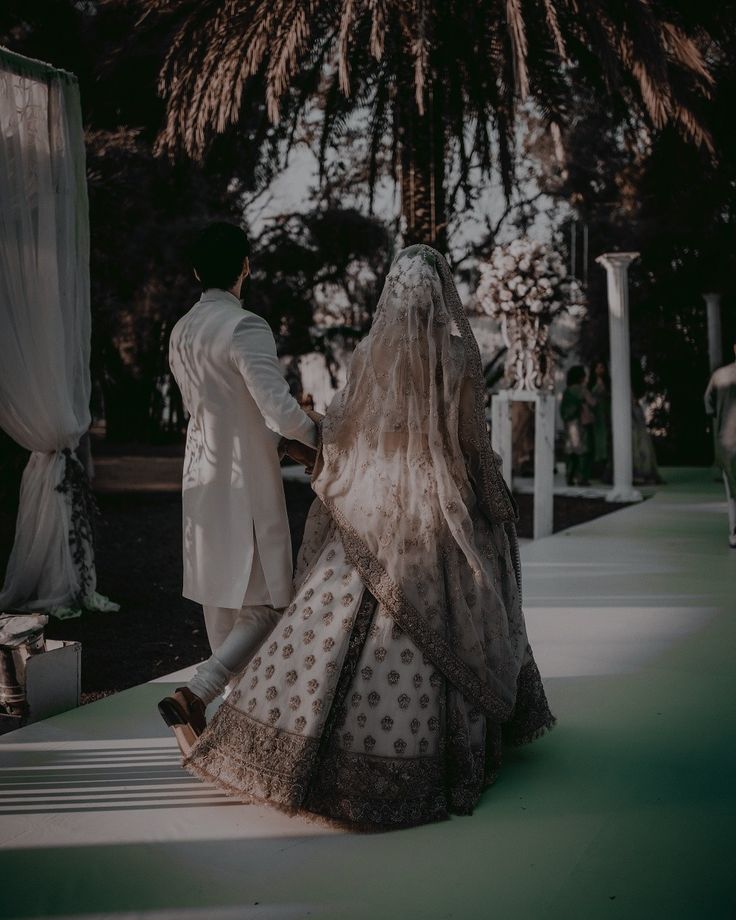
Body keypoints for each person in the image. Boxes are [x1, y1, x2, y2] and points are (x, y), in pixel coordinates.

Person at [184, 244, 555, 830]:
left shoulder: (368, 354)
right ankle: (442, 750)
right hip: (441, 498)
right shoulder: (457, 354)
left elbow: (347, 425)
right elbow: (471, 440)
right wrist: (494, 500)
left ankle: (282, 733)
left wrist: (329, 455)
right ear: (440, 295)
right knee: (454, 614)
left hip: (377, 497)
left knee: (333, 608)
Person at [159, 222, 318, 755]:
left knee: (220, 603)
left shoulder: (182, 329)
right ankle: (199, 693)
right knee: (269, 605)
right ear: (245, 266)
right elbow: (277, 408)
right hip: (243, 480)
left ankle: (233, 727)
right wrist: (323, 436)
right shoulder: (246, 326)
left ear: (196, 271)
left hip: (200, 478)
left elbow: (217, 408)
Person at [705, 340, 736, 548]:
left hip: (727, 439)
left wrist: (720, 416)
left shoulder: (720, 375)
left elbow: (707, 402)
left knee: (732, 489)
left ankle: (734, 531)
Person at [560, 365, 595, 486]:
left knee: (571, 452)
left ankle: (569, 477)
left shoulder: (567, 391)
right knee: (583, 452)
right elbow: (593, 403)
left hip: (569, 424)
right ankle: (582, 478)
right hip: (581, 424)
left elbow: (562, 410)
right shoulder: (582, 390)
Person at [631, 376, 662, 485]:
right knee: (638, 447)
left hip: (635, 417)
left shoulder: (634, 399)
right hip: (633, 418)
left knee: (641, 447)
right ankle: (638, 474)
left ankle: (642, 474)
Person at [590, 360, 610, 480]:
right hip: (594, 415)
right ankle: (596, 469)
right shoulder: (591, 382)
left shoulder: (607, 383)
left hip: (604, 413)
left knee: (604, 440)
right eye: (597, 367)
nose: (600, 370)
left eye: (602, 367)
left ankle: (604, 467)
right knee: (595, 440)